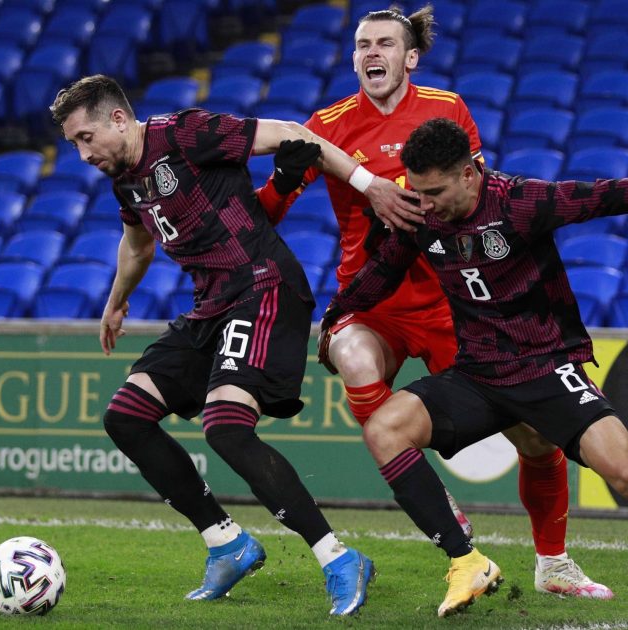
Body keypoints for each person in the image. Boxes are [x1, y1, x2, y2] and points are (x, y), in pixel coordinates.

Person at [320, 117, 628, 619]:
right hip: (477, 374)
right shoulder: (421, 217)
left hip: (546, 368)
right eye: (418, 192)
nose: (424, 204)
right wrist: (336, 316)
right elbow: (381, 274)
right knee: (384, 429)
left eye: (435, 192)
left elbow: (606, 196)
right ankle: (466, 561)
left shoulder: (519, 201)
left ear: (468, 174)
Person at [258, 4, 611, 599]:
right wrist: (284, 180)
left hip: (453, 301)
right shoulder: (327, 125)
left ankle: (553, 564)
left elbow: (480, 196)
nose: (371, 53)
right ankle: (437, 501)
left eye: (385, 44)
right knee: (352, 354)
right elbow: (264, 214)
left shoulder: (448, 110)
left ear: (411, 57)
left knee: (536, 439)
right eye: (362, 44)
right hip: (374, 302)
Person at [49, 74, 411, 616]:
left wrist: (368, 184)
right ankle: (227, 543)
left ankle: (339, 558)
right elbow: (137, 245)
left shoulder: (185, 133)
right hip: (212, 304)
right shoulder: (125, 180)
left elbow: (290, 133)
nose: (82, 154)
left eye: (85, 138)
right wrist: (116, 302)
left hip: (263, 285)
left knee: (225, 426)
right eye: (74, 144)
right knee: (126, 417)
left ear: (118, 119)